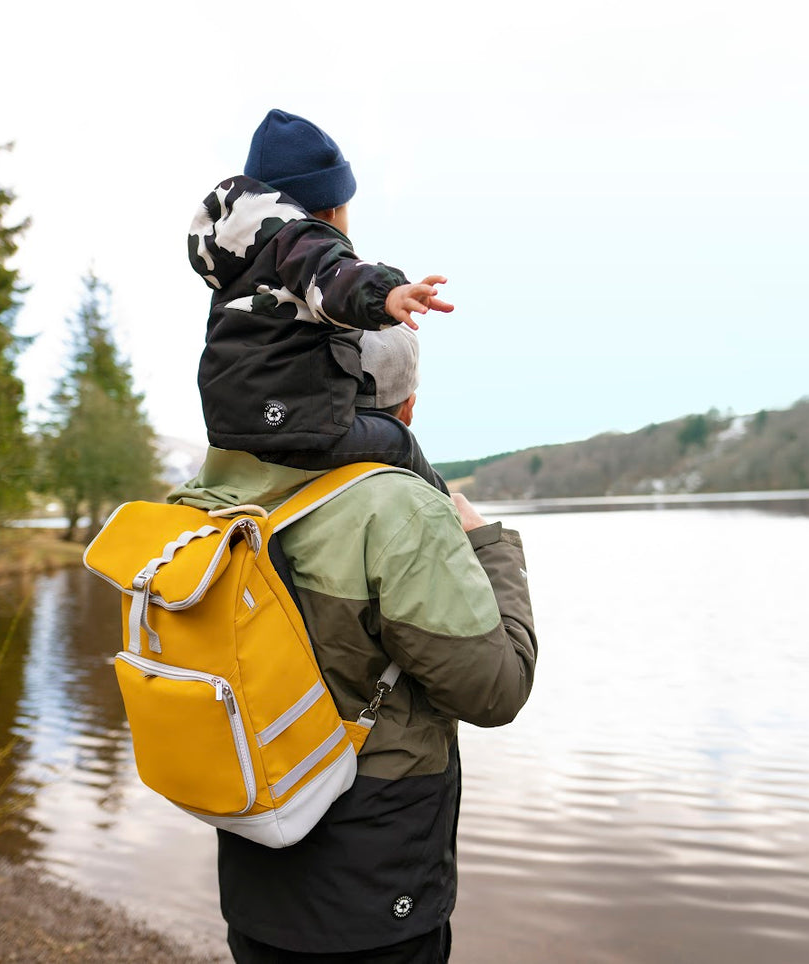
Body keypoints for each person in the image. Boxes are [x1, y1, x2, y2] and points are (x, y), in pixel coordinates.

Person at [169, 325, 538, 963]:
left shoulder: (217, 493)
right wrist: (489, 547)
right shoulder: (399, 509)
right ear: (408, 408)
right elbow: (495, 689)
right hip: (374, 880)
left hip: (256, 837)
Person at [189, 108, 453, 494]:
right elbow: (333, 277)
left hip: (230, 431)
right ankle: (449, 515)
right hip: (295, 430)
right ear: (329, 209)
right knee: (398, 442)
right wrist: (389, 293)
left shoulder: (240, 267)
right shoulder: (300, 241)